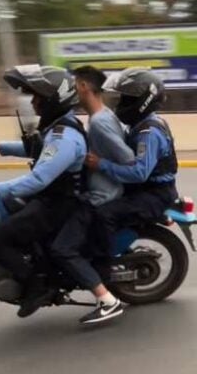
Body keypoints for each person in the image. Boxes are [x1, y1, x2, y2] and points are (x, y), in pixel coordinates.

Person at [0, 64, 87, 318]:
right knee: (6, 214)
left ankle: (36, 285)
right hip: (49, 199)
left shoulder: (64, 136)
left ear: (54, 99)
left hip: (58, 205)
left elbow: (38, 179)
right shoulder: (58, 127)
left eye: (38, 97)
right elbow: (37, 149)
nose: (34, 103)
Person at [50, 66, 134, 324]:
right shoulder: (102, 115)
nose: (73, 89)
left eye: (75, 84)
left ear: (84, 86)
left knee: (61, 249)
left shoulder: (99, 122)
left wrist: (100, 165)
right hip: (99, 194)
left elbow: (129, 160)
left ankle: (108, 301)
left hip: (101, 198)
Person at [86, 67, 178, 292]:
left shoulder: (149, 132)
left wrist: (101, 165)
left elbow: (139, 173)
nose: (121, 104)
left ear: (144, 100)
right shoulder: (142, 124)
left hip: (154, 195)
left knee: (104, 214)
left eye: (128, 98)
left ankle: (102, 270)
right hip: (147, 190)